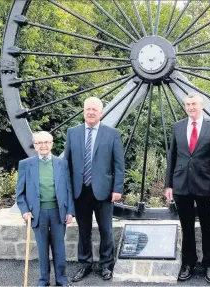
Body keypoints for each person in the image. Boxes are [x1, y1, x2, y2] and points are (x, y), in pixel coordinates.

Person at [164, 92, 210, 284]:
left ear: (201, 105)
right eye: (188, 104)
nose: (190, 107)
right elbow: (171, 157)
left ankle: (209, 263)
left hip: (205, 184)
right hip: (181, 184)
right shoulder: (177, 127)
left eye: (194, 104)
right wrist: (168, 184)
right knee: (186, 226)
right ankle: (188, 262)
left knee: (207, 226)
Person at [64, 97, 124, 282]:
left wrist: (117, 188)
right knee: (84, 230)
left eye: (94, 110)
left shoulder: (112, 134)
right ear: (84, 111)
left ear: (101, 113)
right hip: (80, 191)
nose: (90, 112)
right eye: (88, 109)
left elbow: (119, 164)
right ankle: (85, 264)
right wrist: (67, 191)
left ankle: (106, 265)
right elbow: (66, 164)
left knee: (106, 230)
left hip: (104, 191)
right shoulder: (72, 133)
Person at [16, 131, 74, 287]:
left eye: (47, 142)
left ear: (52, 144)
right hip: (37, 214)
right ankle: (44, 280)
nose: (43, 145)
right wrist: (24, 210)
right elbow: (20, 194)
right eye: (39, 143)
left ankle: (61, 279)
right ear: (35, 145)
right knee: (42, 250)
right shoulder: (26, 164)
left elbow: (69, 189)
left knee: (59, 249)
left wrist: (70, 211)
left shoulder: (62, 163)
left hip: (58, 212)